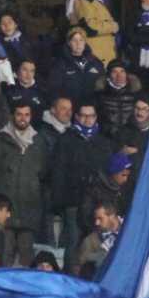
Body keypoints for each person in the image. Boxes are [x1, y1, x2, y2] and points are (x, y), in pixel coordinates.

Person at [0, 100, 45, 268]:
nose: (23, 118)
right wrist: (8, 163)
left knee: (27, 260)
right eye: (19, 114)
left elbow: (44, 172)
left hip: (29, 210)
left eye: (27, 114)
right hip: (5, 210)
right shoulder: (0, 139)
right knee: (4, 256)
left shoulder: (38, 141)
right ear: (12, 116)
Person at [51, 101, 114, 266]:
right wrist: (59, 202)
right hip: (73, 201)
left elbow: (108, 174)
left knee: (98, 241)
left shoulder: (103, 142)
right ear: (77, 117)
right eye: (84, 116)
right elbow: (58, 172)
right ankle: (71, 278)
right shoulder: (66, 140)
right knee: (73, 241)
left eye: (91, 116)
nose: (88, 119)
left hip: (97, 202)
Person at [67, 0, 118, 66]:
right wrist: (113, 27)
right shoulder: (86, 0)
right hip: (96, 56)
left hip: (103, 55)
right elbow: (90, 27)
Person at [47, 27, 106, 106]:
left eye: (81, 40)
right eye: (74, 40)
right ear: (69, 43)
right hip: (70, 109)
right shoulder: (60, 64)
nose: (78, 44)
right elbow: (54, 89)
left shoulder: (95, 62)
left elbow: (103, 87)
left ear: (85, 42)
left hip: (91, 109)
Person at [72, 199, 121, 278]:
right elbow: (79, 266)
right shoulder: (90, 241)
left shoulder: (130, 230)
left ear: (112, 215)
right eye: (95, 219)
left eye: (100, 218)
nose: (96, 223)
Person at [94, 60, 141, 140]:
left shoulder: (137, 94)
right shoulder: (99, 95)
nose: (119, 75)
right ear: (108, 75)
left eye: (122, 71)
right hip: (107, 138)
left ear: (126, 74)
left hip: (133, 138)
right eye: (114, 72)